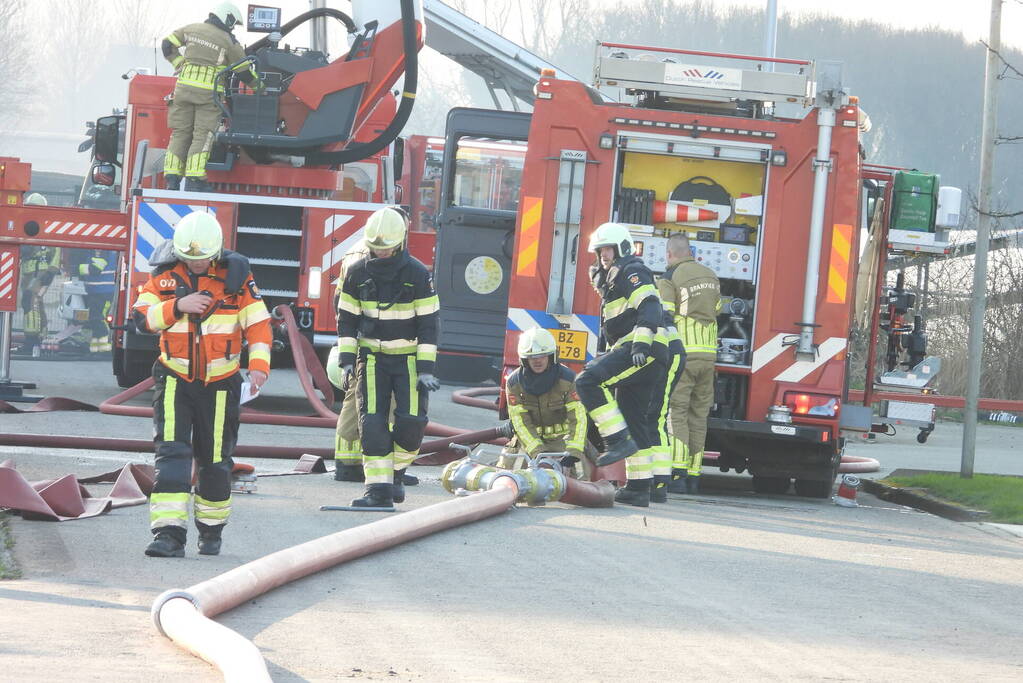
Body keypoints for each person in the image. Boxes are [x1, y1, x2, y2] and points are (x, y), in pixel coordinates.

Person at [132, 211, 271, 557]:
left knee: (215, 461)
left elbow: (258, 324)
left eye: (202, 258)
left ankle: (211, 532)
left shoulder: (237, 279)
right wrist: (177, 305)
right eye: (189, 258)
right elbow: (140, 319)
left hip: (222, 383)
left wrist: (259, 366)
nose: (195, 264)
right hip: (174, 377)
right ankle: (168, 535)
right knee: (172, 453)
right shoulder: (164, 278)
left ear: (217, 251)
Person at [336, 207, 440, 508]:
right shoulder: (357, 273)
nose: (381, 254)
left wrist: (425, 369)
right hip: (371, 360)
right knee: (372, 424)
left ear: (400, 242)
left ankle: (394, 475)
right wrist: (346, 360)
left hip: (408, 360)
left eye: (387, 248)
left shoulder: (418, 275)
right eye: (376, 248)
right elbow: (347, 321)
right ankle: (377, 491)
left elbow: (429, 325)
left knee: (411, 423)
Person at [575, 222, 668, 507]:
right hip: (644, 350)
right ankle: (639, 489)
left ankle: (615, 440)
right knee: (634, 420)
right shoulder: (613, 276)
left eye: (607, 249)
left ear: (621, 248)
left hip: (642, 349)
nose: (603, 255)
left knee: (586, 381)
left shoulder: (632, 270)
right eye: (600, 250)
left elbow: (650, 305)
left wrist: (640, 344)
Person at [161, 2, 261, 192]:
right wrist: (261, 87)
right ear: (227, 18)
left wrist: (179, 62)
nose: (232, 27)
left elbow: (167, 45)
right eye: (232, 23)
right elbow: (243, 72)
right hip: (207, 96)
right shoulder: (228, 42)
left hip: (182, 91)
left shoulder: (191, 29)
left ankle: (172, 179)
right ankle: (194, 178)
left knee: (180, 133)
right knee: (203, 135)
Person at [657, 232, 721, 495]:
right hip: (709, 355)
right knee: (699, 416)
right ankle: (695, 476)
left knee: (677, 413)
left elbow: (664, 315)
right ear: (691, 251)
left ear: (670, 254)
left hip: (683, 354)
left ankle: (678, 473)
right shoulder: (712, 276)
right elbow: (717, 309)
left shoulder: (670, 277)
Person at [500, 328, 589, 477]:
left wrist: (571, 456)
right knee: (509, 474)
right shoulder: (514, 383)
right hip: (529, 442)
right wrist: (539, 454)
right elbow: (520, 422)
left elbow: (579, 419)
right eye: (532, 356)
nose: (537, 360)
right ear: (524, 359)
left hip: (563, 442)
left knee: (578, 481)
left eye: (542, 355)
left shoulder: (568, 379)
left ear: (551, 356)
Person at [18, 193, 61, 357]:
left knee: (31, 299)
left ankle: (32, 341)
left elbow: (57, 249)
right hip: (28, 272)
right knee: (30, 302)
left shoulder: (48, 226)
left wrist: (51, 271)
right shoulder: (25, 224)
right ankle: (39, 337)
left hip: (42, 272)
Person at [77, 249, 118, 353]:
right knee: (94, 317)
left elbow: (95, 269)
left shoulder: (103, 252)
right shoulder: (99, 252)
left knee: (98, 318)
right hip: (96, 291)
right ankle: (96, 347)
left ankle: (105, 345)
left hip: (103, 291)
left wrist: (78, 267)